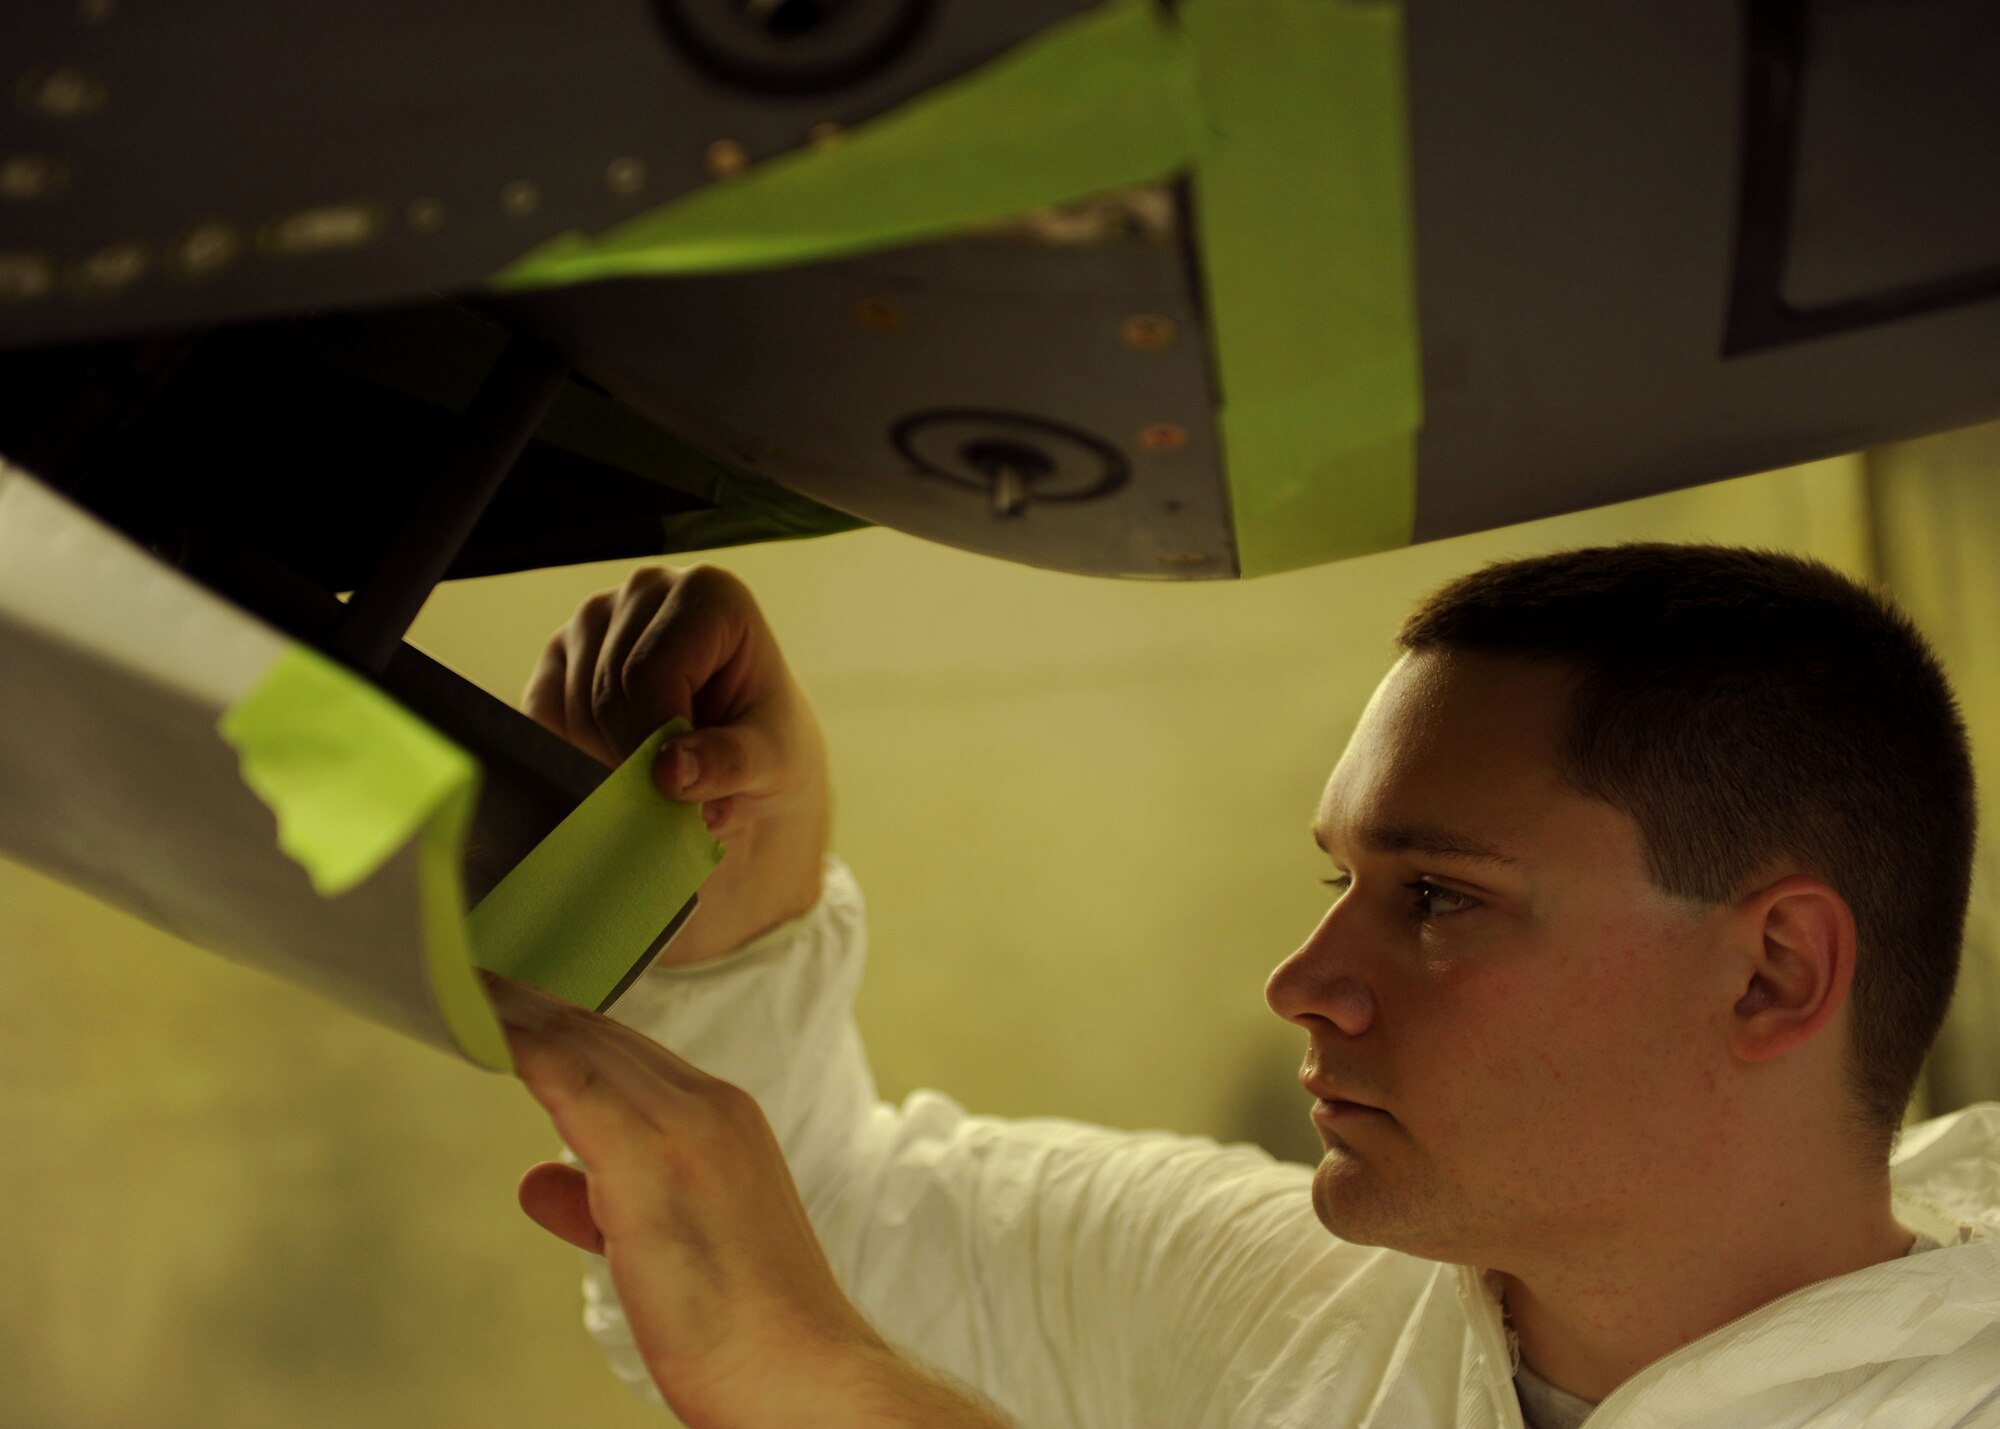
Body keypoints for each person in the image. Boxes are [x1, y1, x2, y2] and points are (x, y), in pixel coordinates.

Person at [485, 545, 2000, 1429]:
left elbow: (801, 1336)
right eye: (1333, 881)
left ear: (1771, 971)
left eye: (1436, 897)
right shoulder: (1302, 1299)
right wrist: (741, 902)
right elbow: (827, 1232)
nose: (1303, 979)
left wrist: (822, 1380)